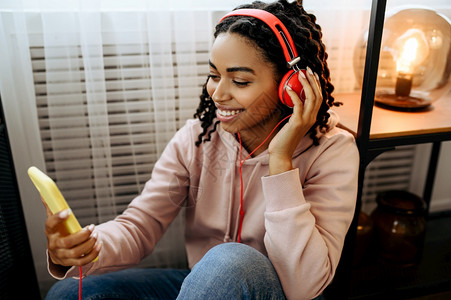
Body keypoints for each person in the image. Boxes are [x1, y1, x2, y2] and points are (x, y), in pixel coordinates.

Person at [44, 0, 359, 299]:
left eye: (239, 81)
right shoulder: (196, 138)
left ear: (291, 87)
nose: (218, 94)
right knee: (69, 292)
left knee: (228, 262)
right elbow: (140, 226)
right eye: (214, 75)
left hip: (280, 292)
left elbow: (304, 285)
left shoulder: (333, 151)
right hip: (206, 286)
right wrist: (84, 247)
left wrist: (280, 162)